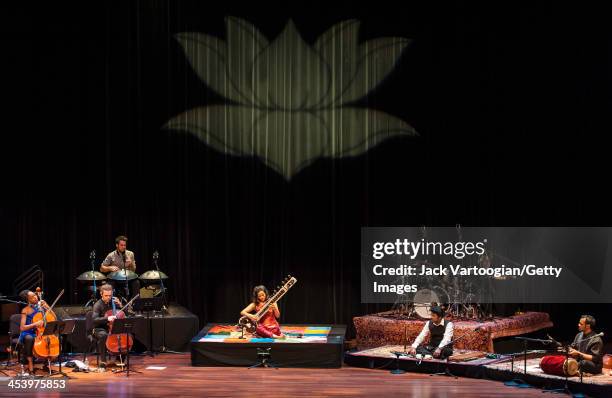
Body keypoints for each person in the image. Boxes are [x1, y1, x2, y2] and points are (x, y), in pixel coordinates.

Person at [18, 290, 50, 373]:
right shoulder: (25, 310)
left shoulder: (41, 307)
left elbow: (53, 316)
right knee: (29, 339)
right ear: (28, 300)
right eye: (32, 297)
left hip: (40, 332)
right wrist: (35, 324)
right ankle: (30, 362)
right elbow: (22, 328)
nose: (36, 297)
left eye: (35, 295)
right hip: (28, 332)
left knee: (53, 338)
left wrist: (47, 306)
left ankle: (46, 362)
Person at [91, 284, 123, 367]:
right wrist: (107, 318)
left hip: (113, 327)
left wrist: (120, 304)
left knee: (127, 335)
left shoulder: (114, 302)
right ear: (101, 294)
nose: (109, 297)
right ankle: (103, 360)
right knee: (103, 336)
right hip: (100, 328)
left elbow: (127, 313)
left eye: (110, 295)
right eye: (106, 295)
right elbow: (94, 320)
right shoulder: (98, 305)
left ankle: (119, 359)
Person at [100, 235, 140, 300]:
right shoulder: (111, 255)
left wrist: (131, 264)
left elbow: (134, 270)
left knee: (136, 282)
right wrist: (109, 268)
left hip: (127, 278)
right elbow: (102, 268)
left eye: (125, 245)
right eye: (121, 245)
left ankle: (135, 302)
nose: (123, 247)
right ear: (117, 245)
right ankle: (112, 303)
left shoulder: (130, 254)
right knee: (109, 283)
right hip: (115, 279)